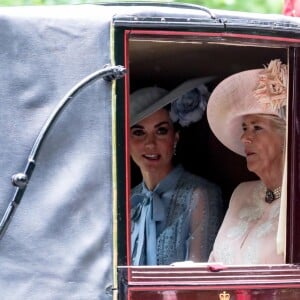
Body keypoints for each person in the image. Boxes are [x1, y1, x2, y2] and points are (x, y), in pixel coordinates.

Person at [130, 77, 223, 266]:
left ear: (175, 138)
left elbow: (200, 282)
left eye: (161, 131)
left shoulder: (200, 195)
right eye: (139, 132)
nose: (150, 144)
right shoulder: (128, 200)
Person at [207, 59, 287, 264]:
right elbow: (214, 262)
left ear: (287, 138)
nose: (245, 138)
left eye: (256, 128)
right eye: (244, 128)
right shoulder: (241, 192)